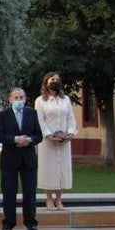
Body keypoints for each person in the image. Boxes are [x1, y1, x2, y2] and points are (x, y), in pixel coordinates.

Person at [0, 87, 42, 230]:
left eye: (21, 97)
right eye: (16, 98)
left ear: (25, 98)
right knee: (9, 192)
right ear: (10, 99)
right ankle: (8, 222)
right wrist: (15, 139)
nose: (18, 100)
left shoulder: (32, 113)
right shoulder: (3, 115)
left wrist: (29, 140)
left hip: (28, 159)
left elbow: (38, 135)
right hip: (10, 158)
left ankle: (31, 222)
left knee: (30, 192)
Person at [34, 71, 77, 211]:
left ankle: (59, 199)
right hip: (47, 142)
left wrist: (70, 132)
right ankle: (49, 198)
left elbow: (71, 117)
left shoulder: (65, 100)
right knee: (48, 169)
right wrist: (48, 135)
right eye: (52, 80)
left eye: (57, 80)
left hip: (64, 141)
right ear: (46, 83)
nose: (55, 82)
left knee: (62, 169)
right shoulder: (40, 100)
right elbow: (40, 120)